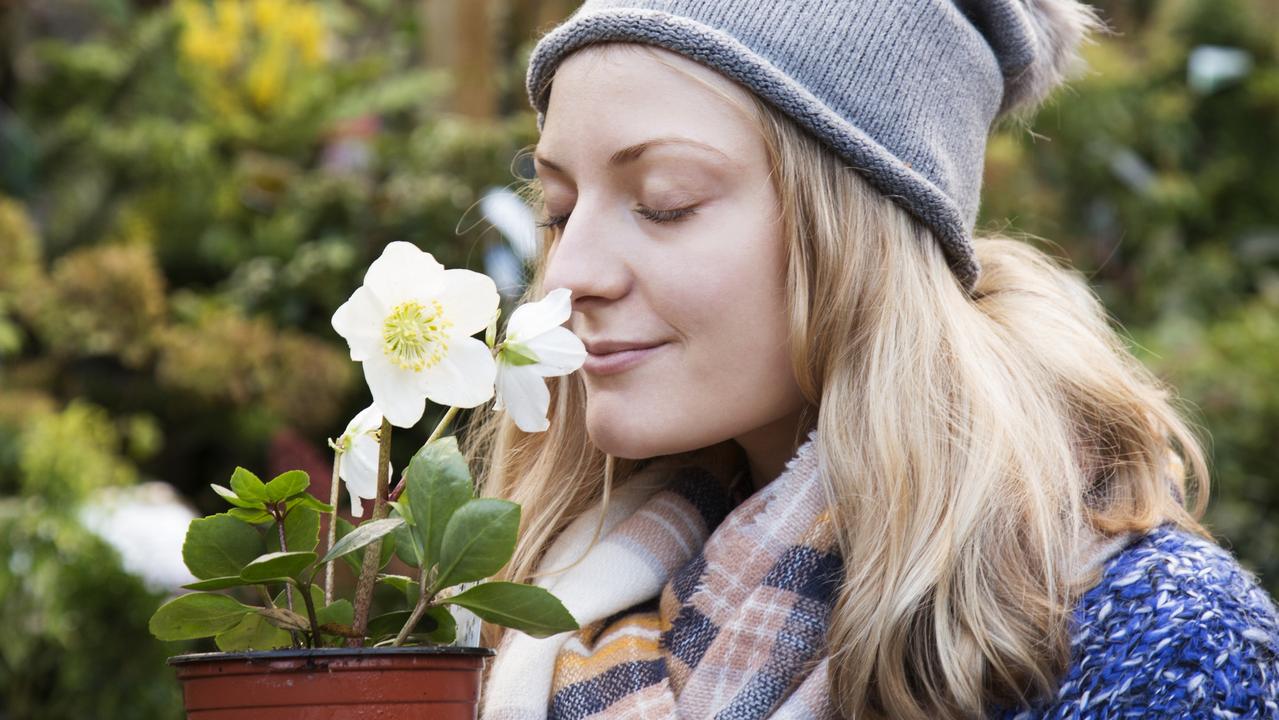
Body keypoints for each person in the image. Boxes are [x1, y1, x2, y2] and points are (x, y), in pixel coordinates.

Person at [466, 1, 1279, 718]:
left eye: (664, 202)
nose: (569, 274)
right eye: (559, 211)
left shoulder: (1149, 641)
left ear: (862, 235)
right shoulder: (510, 615)